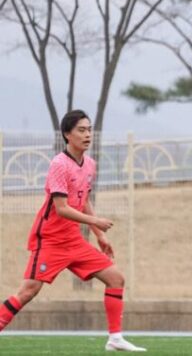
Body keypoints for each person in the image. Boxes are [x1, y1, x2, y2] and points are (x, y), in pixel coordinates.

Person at [0, 110, 146, 352]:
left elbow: (83, 197)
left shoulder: (89, 164)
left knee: (116, 278)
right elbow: (61, 208)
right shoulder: (59, 164)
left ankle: (115, 338)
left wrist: (99, 235)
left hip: (74, 240)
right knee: (28, 292)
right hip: (50, 240)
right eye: (81, 130)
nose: (88, 134)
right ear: (67, 135)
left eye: (89, 130)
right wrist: (96, 221)